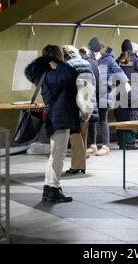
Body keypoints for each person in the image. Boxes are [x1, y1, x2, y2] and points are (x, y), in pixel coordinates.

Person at [25, 45, 79, 204]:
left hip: (53, 116)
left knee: (54, 155)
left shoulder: (42, 73)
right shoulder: (55, 74)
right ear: (57, 57)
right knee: (58, 155)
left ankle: (49, 189)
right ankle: (54, 189)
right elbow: (72, 74)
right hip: (60, 117)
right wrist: (59, 64)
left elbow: (31, 71)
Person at [87, 37, 130, 156]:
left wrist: (126, 83)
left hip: (105, 94)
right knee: (92, 119)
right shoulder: (93, 59)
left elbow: (118, 70)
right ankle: (93, 145)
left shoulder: (109, 60)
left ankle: (106, 146)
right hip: (94, 93)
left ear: (101, 48)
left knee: (102, 119)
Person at [62, 45, 98, 175]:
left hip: (75, 105)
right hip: (87, 105)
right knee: (83, 137)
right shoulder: (86, 63)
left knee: (75, 137)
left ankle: (77, 166)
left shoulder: (67, 65)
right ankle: (82, 165)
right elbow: (93, 83)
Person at [114, 39, 138, 150]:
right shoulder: (136, 60)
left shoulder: (117, 61)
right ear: (131, 49)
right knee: (132, 116)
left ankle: (122, 143)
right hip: (133, 94)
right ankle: (130, 143)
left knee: (121, 118)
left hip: (119, 94)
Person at [79, 47, 101, 156]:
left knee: (85, 123)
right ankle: (93, 145)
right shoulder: (95, 62)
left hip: (87, 97)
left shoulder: (84, 64)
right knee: (93, 122)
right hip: (95, 96)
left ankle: (85, 148)